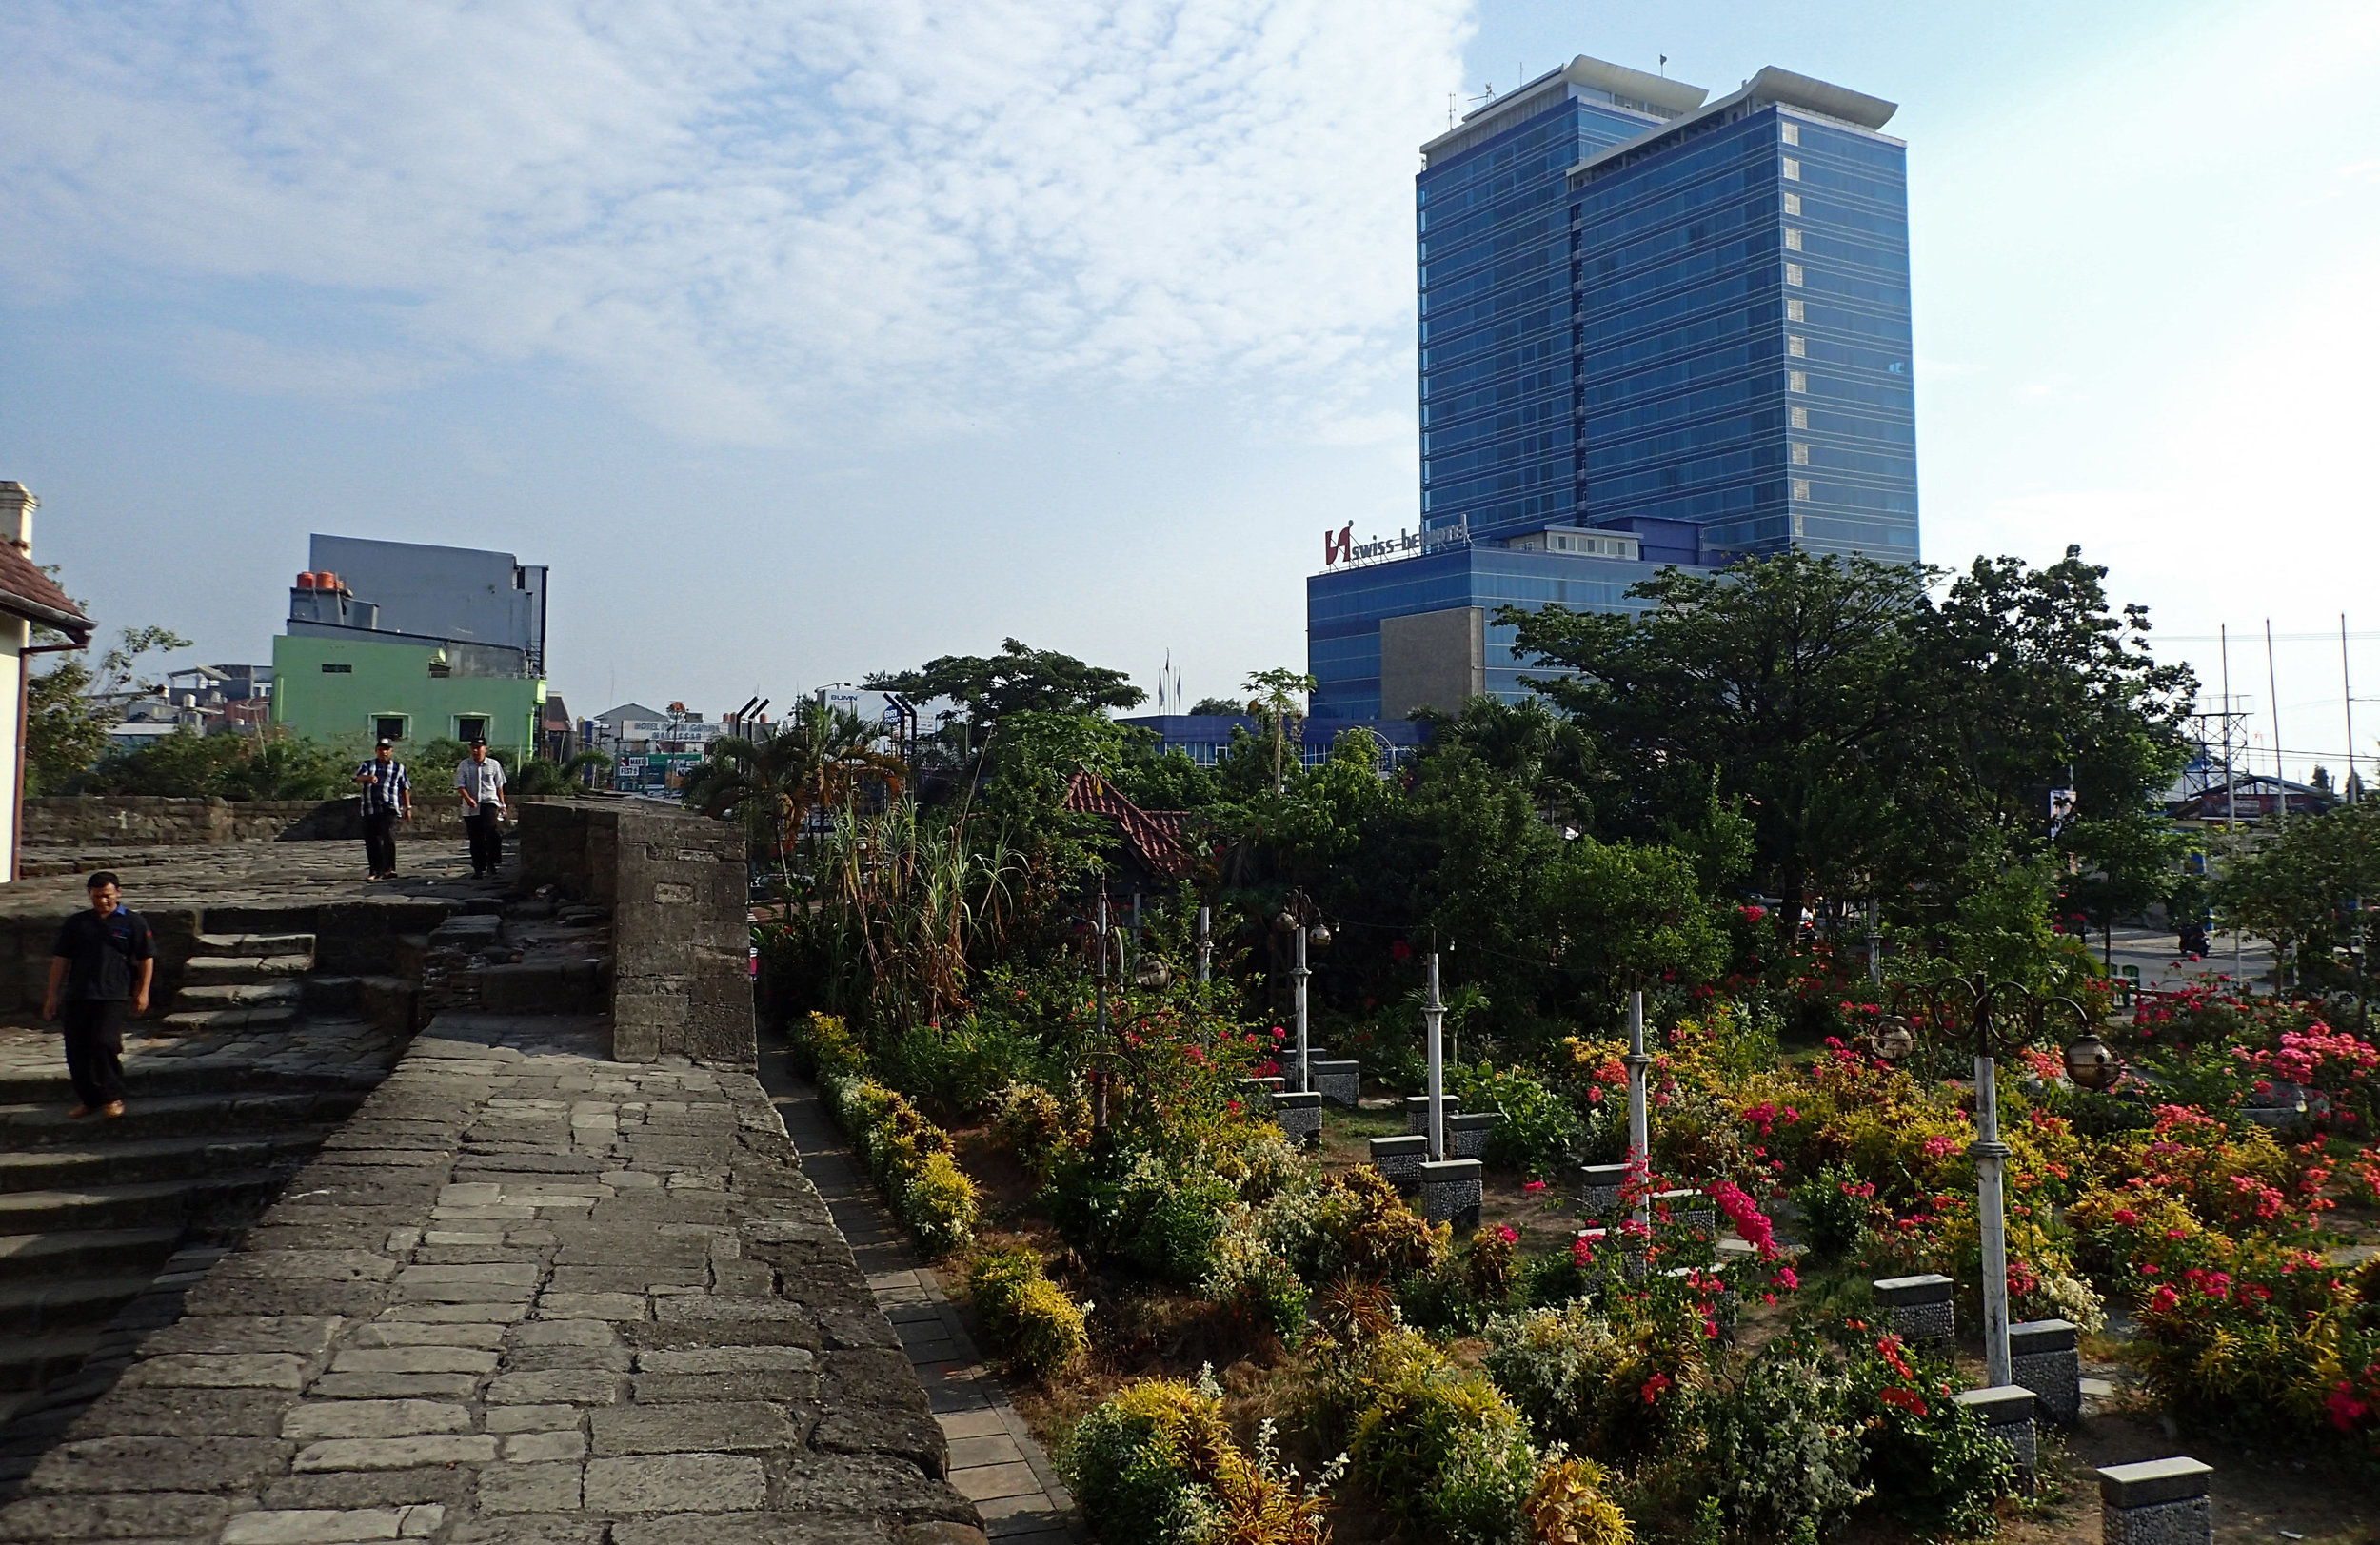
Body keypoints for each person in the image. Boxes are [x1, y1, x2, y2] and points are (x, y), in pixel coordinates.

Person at [43, 871, 154, 1119]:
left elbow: (146, 958)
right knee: (76, 1049)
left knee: (104, 1042)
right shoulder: (77, 923)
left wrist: (142, 992)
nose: (102, 901)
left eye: (106, 896)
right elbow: (61, 960)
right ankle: (90, 1098)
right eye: (96, 897)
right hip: (79, 993)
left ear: (118, 893)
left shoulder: (133, 922)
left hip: (113, 992)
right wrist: (52, 995)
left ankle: (113, 1095)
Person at [352, 739, 413, 880]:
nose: (383, 752)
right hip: (370, 806)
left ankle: (389, 869)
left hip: (390, 806)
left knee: (389, 837)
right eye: (380, 749)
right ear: (376, 751)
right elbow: (356, 778)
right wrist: (368, 777)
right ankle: (375, 870)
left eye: (386, 749)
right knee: (372, 839)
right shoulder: (368, 765)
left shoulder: (399, 768)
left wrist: (408, 807)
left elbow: (404, 788)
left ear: (391, 751)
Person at [455, 739, 508, 876]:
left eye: (479, 748)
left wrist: (502, 805)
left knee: (492, 833)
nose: (475, 751)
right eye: (473, 748)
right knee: (476, 838)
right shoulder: (464, 765)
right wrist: (468, 799)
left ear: (485, 749)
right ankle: (479, 868)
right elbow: (460, 785)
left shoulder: (493, 764)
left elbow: (499, 786)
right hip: (471, 805)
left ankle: (492, 862)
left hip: (489, 801)